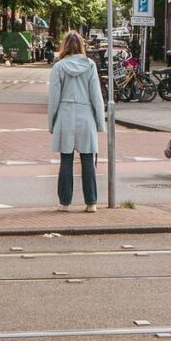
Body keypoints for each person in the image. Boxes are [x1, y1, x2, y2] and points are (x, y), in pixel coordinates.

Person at [46, 29, 106, 211]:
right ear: (81, 46)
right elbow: (96, 95)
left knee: (66, 159)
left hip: (65, 115)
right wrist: (99, 122)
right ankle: (91, 202)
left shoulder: (59, 67)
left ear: (64, 46)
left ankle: (64, 202)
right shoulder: (90, 65)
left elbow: (53, 98)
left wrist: (52, 122)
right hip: (85, 115)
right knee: (88, 159)